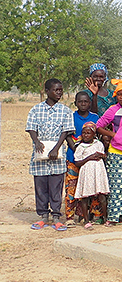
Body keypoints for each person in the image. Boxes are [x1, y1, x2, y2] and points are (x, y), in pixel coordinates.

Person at [26, 78, 75, 231]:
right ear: (47, 91)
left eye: (61, 90)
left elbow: (65, 131)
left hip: (57, 154)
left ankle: (56, 217)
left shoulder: (65, 110)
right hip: (40, 154)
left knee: (56, 186)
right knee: (40, 186)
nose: (59, 93)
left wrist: (56, 148)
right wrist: (37, 141)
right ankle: (43, 217)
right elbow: (31, 128)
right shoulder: (36, 109)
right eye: (56, 90)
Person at [96, 79, 122, 227]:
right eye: (118, 94)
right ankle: (113, 216)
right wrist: (113, 135)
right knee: (116, 185)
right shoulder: (113, 110)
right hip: (116, 152)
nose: (121, 97)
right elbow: (98, 126)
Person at [64, 91, 101, 227]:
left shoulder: (95, 117)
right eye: (80, 102)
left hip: (91, 161)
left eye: (86, 101)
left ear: (90, 103)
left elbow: (99, 135)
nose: (83, 104)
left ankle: (92, 215)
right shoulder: (71, 117)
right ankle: (70, 216)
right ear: (75, 103)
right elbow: (67, 135)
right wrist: (77, 150)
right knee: (72, 188)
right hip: (73, 158)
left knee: (92, 186)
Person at [73, 122, 109, 230]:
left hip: (98, 172)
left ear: (94, 134)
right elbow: (77, 162)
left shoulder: (98, 144)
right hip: (87, 173)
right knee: (85, 197)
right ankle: (86, 220)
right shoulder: (80, 147)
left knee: (102, 196)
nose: (86, 135)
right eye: (84, 133)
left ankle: (106, 217)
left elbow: (102, 155)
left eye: (89, 133)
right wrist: (90, 157)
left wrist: (101, 155)